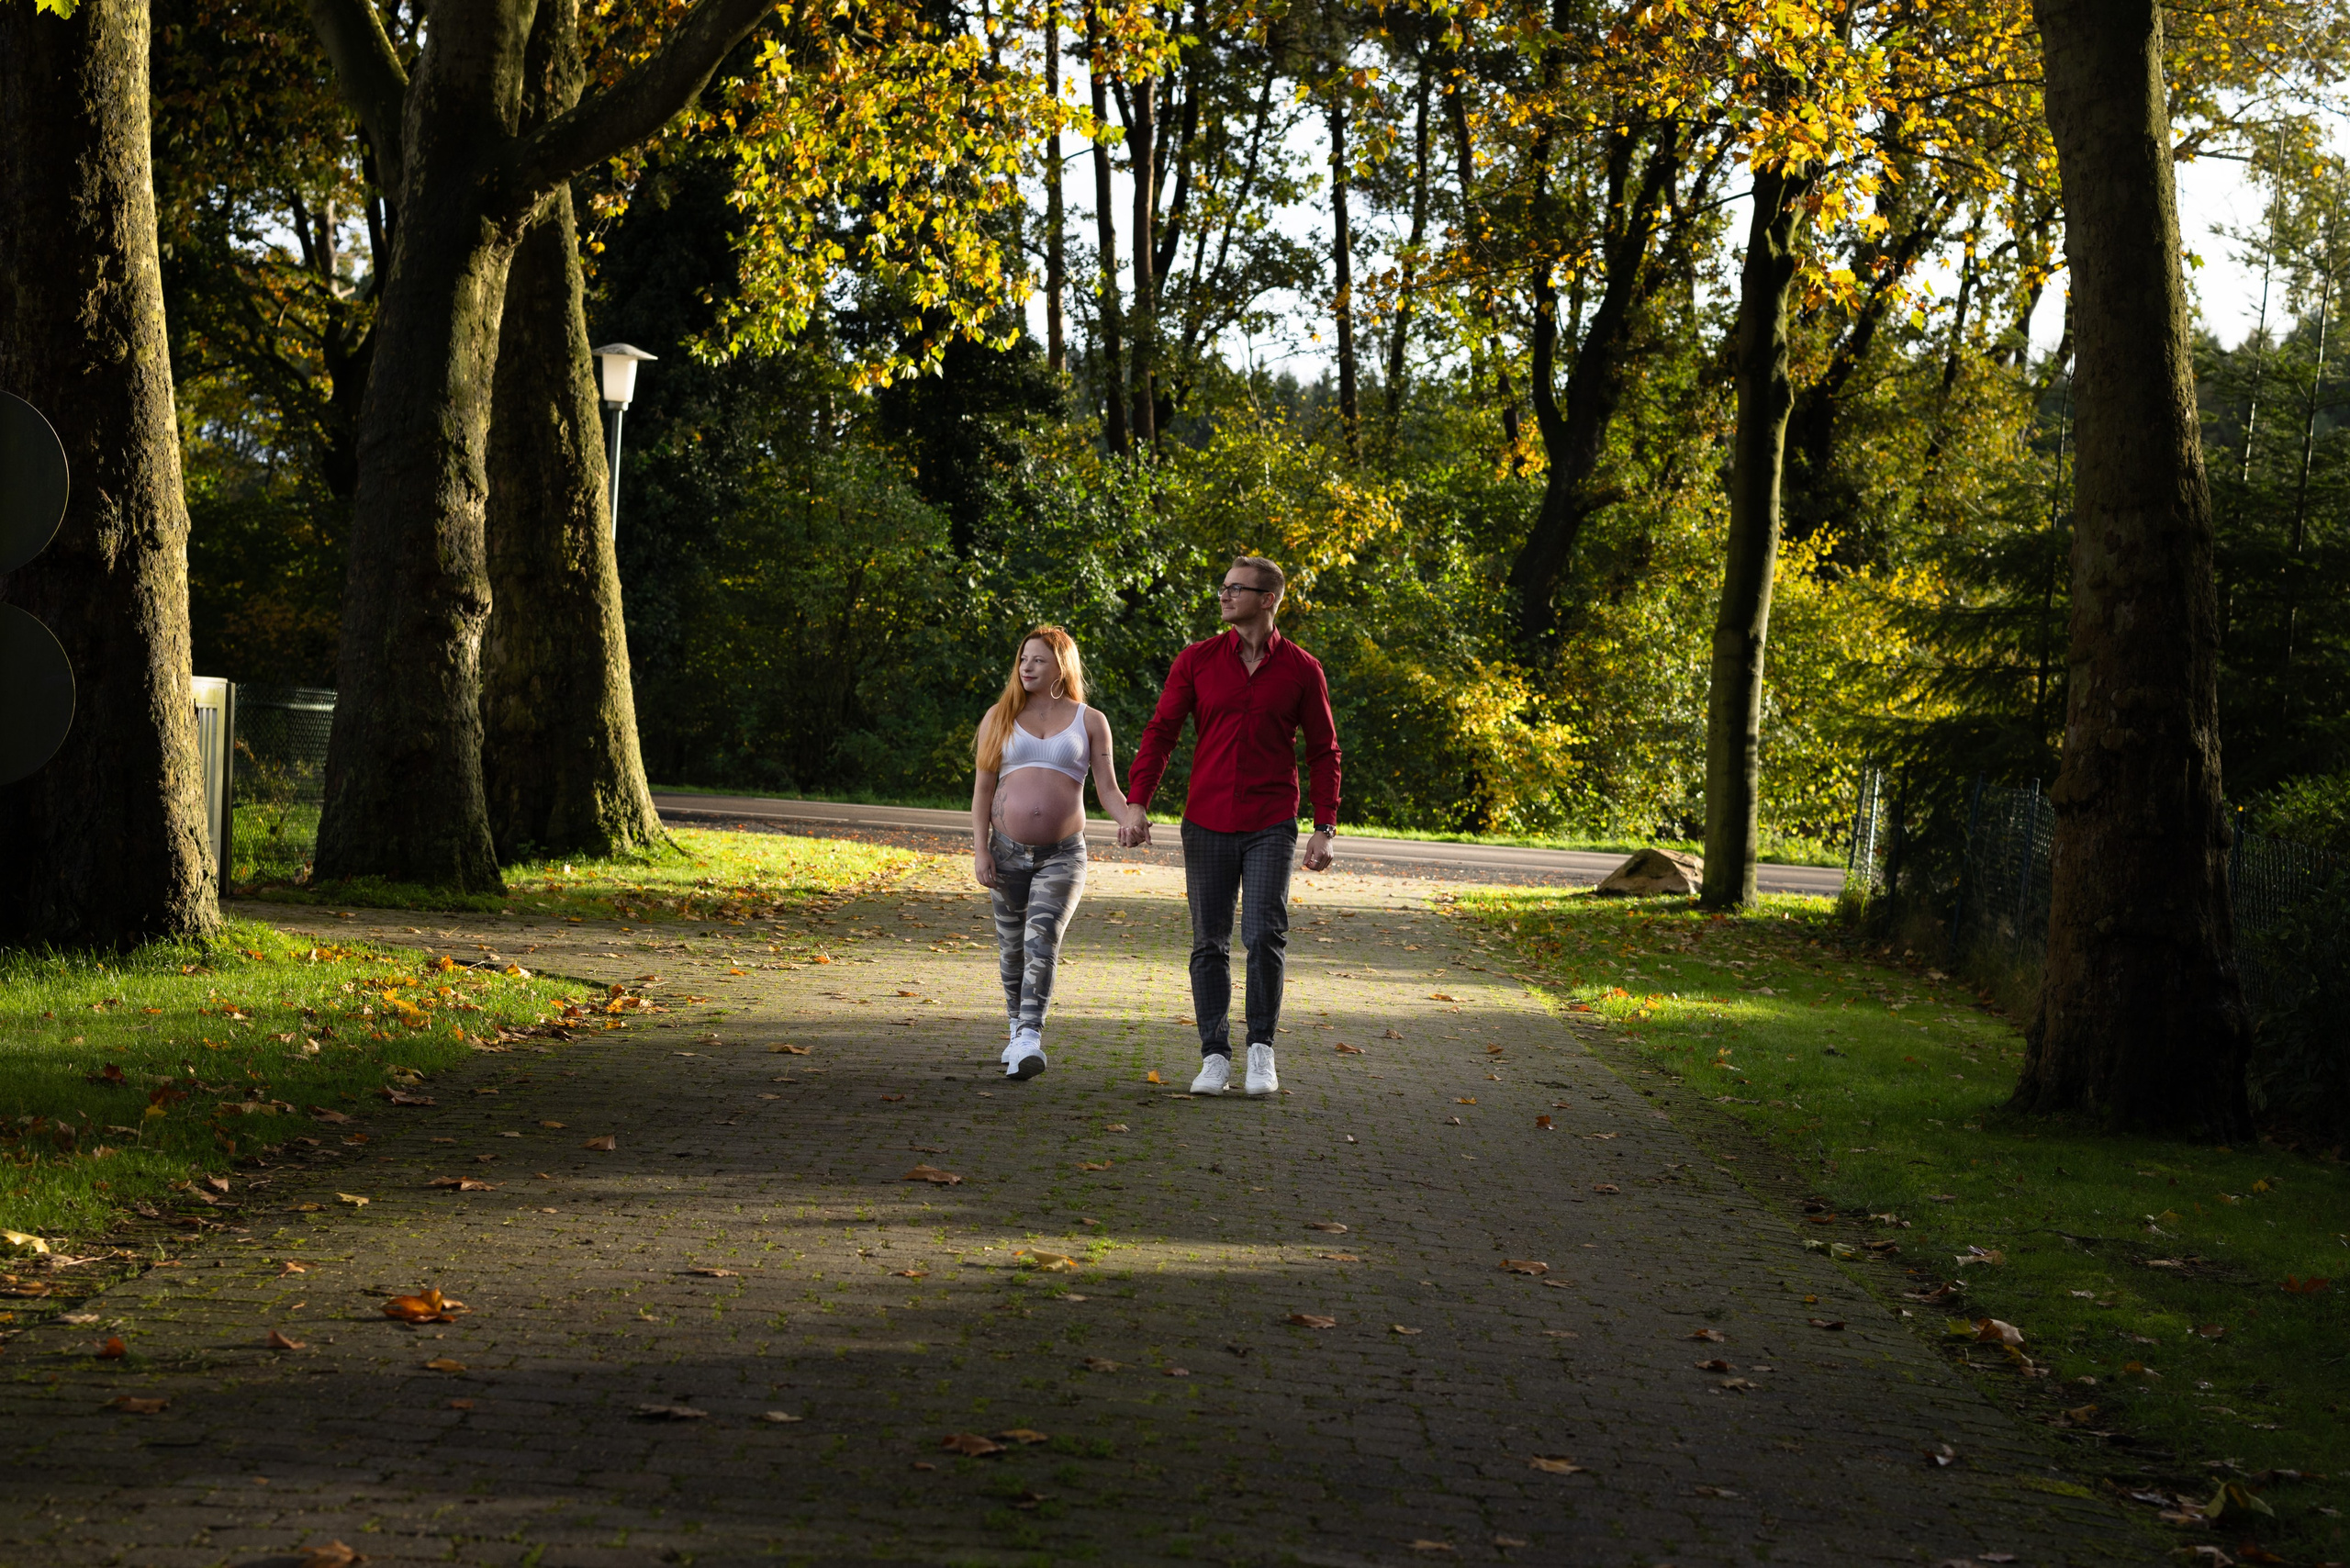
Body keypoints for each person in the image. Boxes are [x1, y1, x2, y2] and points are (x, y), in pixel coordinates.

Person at [1123, 555, 1340, 1097]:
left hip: (1271, 821)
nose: (1223, 595)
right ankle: (1214, 1055)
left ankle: (1260, 1050)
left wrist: (1325, 825)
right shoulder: (1196, 661)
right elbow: (1161, 733)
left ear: (1268, 599)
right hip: (1207, 821)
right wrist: (1137, 803)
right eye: (1223, 587)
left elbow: (1324, 751)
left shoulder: (1301, 669)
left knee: (1264, 933)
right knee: (1209, 943)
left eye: (1236, 589)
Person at [971, 626, 1137, 1081]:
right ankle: (1013, 1032)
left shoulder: (1090, 720)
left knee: (1040, 942)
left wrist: (1129, 819)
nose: (1027, 667)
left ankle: (1030, 1036)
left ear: (1061, 665)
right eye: (1023, 658)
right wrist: (980, 851)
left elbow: (1108, 788)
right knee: (1011, 950)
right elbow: (983, 790)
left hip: (1063, 855)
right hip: (1004, 852)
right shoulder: (999, 717)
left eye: (1038, 660)